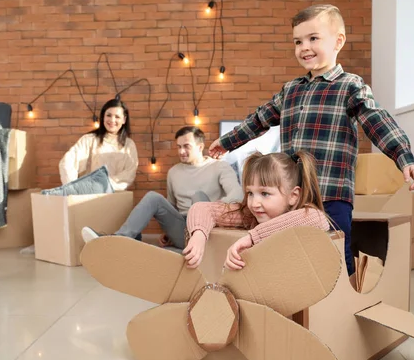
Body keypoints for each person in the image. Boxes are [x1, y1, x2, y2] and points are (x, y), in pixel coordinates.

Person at [208, 4, 414, 275]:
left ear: (338, 42)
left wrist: (403, 157)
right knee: (292, 252)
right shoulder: (291, 90)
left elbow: (377, 121)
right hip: (295, 195)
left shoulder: (350, 86)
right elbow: (259, 119)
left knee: (336, 252)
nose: (304, 47)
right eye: (298, 41)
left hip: (331, 193)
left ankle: (341, 306)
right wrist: (227, 142)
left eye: (313, 39)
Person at [81, 126, 244, 250]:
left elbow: (237, 196)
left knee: (198, 198)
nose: (181, 151)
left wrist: (208, 211)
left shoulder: (219, 167)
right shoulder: (173, 172)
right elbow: (171, 207)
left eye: (186, 146)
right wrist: (170, 231)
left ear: (200, 146)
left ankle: (199, 228)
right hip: (183, 228)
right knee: (153, 197)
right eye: (178, 146)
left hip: (208, 230)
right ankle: (116, 241)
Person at [183, 151, 330, 270]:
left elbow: (318, 219)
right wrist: (198, 235)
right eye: (250, 193)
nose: (254, 203)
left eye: (265, 194)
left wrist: (253, 237)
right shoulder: (250, 215)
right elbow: (201, 208)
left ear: (293, 196)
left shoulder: (303, 215)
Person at [59, 98, 138, 191]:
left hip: (116, 197)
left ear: (124, 120)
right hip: (88, 196)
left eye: (117, 117)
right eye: (108, 115)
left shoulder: (129, 145)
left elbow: (129, 174)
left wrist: (103, 185)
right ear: (103, 117)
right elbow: (67, 162)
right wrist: (72, 189)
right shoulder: (89, 140)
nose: (112, 120)